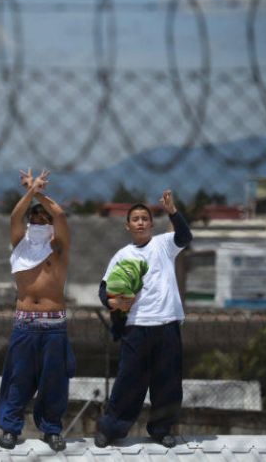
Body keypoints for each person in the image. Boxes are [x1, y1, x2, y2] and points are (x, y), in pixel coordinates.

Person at [93, 190, 193, 449]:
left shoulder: (164, 244)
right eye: (135, 219)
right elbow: (104, 290)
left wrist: (172, 210)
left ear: (151, 223)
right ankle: (112, 429)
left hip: (167, 324)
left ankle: (161, 429)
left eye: (144, 218)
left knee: (168, 383)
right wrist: (113, 302)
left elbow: (185, 236)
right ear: (128, 226)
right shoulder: (122, 255)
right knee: (129, 382)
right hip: (136, 327)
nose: (140, 222)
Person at [0, 168, 75, 452]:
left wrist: (40, 192)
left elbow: (62, 216)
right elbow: (14, 217)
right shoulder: (20, 244)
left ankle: (51, 429)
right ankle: (10, 428)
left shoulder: (59, 247)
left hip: (54, 325)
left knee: (54, 381)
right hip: (25, 323)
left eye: (44, 217)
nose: (39, 220)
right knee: (18, 379)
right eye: (35, 217)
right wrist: (30, 192)